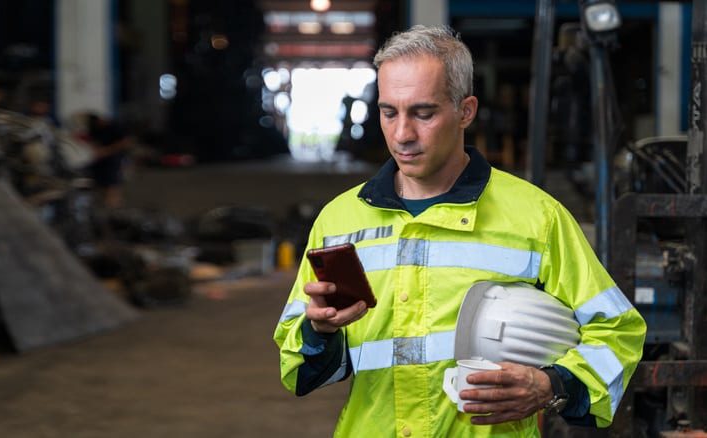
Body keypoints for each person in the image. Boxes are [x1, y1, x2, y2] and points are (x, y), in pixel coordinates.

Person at [273, 25, 646, 437]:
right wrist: (319, 330)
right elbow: (298, 368)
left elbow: (617, 330)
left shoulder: (536, 218)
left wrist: (550, 386)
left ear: (465, 111)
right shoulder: (339, 221)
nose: (402, 135)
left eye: (424, 113)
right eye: (389, 112)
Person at [84, 113, 133, 209]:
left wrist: (107, 151)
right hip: (99, 160)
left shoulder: (115, 126)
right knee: (98, 184)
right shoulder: (93, 126)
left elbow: (126, 142)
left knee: (112, 185)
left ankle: (114, 206)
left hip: (113, 159)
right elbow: (92, 140)